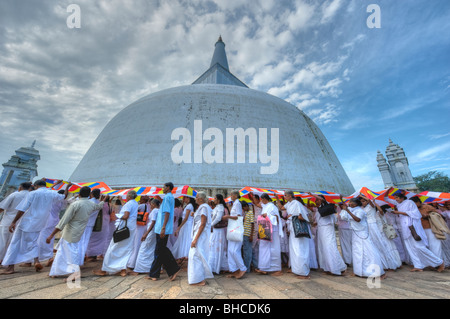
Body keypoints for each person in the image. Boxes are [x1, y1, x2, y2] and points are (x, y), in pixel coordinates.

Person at [1, 179, 69, 274]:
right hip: (41, 223)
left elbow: (22, 209)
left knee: (15, 243)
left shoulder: (32, 194)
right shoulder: (51, 193)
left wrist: (14, 222)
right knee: (33, 242)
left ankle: (10, 267)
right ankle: (36, 261)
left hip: (28, 222)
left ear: (36, 186)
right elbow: (64, 196)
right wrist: (67, 187)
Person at [46, 187, 105, 281]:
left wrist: (51, 235)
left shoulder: (75, 204)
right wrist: (103, 200)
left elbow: (63, 221)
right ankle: (55, 272)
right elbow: (99, 206)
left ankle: (75, 274)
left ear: (80, 194)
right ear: (89, 195)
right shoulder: (91, 204)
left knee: (70, 252)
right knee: (62, 251)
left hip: (70, 231)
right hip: (79, 231)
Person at [391, 193, 444, 272]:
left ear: (402, 197)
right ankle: (418, 265)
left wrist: (399, 213)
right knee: (411, 248)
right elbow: (386, 199)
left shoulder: (409, 202)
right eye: (395, 198)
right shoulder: (399, 205)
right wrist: (388, 191)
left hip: (413, 228)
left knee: (420, 247)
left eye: (397, 197)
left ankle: (439, 262)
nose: (396, 199)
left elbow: (416, 214)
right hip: (405, 229)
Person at [93, 190, 139, 277]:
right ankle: (122, 269)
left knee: (113, 248)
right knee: (126, 249)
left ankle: (105, 269)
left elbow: (125, 216)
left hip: (124, 228)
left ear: (129, 196)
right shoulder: (135, 203)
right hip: (131, 228)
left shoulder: (129, 204)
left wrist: (118, 216)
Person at [340, 198, 386, 279]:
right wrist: (342, 202)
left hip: (362, 233)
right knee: (357, 252)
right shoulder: (351, 209)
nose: (349, 204)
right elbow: (344, 215)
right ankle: (359, 271)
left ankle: (378, 272)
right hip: (355, 233)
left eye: (351, 202)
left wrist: (348, 211)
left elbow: (357, 219)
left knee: (369, 252)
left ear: (355, 204)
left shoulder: (360, 211)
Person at [148, 182, 181, 281]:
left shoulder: (168, 197)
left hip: (163, 228)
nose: (162, 188)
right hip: (161, 227)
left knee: (161, 250)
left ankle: (173, 269)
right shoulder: (168, 197)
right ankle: (154, 274)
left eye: (164, 187)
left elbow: (167, 212)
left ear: (168, 188)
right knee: (160, 250)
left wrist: (163, 227)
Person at [308, 193, 346, 276]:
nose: (316, 201)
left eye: (318, 200)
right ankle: (328, 268)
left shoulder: (327, 206)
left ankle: (336, 268)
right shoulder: (319, 209)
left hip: (327, 230)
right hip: (321, 230)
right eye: (316, 200)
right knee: (323, 249)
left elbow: (324, 201)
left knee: (330, 247)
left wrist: (315, 196)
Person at [360, 195, 401, 271]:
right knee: (379, 246)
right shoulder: (365, 210)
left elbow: (378, 209)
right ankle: (386, 264)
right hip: (376, 231)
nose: (363, 203)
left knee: (387, 247)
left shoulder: (377, 211)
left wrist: (374, 202)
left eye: (364, 201)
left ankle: (394, 264)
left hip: (382, 231)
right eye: (361, 201)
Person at [276, 191, 310, 279]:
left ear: (290, 196)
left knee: (299, 249)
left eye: (285, 196)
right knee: (294, 249)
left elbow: (302, 216)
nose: (284, 197)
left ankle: (304, 272)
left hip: (297, 228)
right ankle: (297, 270)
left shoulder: (296, 203)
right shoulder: (289, 204)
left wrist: (292, 216)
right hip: (292, 229)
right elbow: (281, 207)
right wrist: (276, 198)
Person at [0, 182, 32, 263]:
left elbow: (2, 207)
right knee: (13, 243)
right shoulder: (32, 196)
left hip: (8, 221)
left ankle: (1, 259)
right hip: (23, 223)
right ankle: (8, 260)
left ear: (20, 187)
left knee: (3, 241)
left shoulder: (14, 195)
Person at [252, 193, 283, 276]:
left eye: (262, 199)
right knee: (264, 249)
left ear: (266, 199)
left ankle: (276, 268)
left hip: (273, 230)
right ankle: (264, 268)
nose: (261, 201)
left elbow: (276, 218)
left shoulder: (272, 206)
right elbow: (256, 204)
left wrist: (267, 215)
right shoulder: (264, 206)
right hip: (265, 230)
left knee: (273, 249)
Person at [188, 192, 214, 286]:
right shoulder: (204, 207)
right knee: (197, 255)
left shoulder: (203, 207)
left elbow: (203, 224)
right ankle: (198, 278)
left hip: (200, 235)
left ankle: (198, 280)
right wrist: (194, 214)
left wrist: (195, 239)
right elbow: (200, 219)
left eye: (197, 197)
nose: (195, 199)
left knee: (195, 255)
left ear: (201, 199)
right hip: (200, 234)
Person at [129, 199, 160, 275]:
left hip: (151, 231)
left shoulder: (155, 211)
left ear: (153, 204)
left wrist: (146, 233)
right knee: (150, 249)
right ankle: (147, 268)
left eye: (151, 204)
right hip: (153, 231)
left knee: (143, 249)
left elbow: (153, 222)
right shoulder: (158, 210)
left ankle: (139, 269)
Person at [411, 197, 446, 265]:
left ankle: (439, 263)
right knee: (425, 247)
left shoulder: (427, 207)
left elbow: (439, 216)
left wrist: (428, 216)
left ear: (418, 202)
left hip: (430, 228)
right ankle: (431, 263)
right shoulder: (413, 209)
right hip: (420, 230)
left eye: (414, 203)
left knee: (435, 246)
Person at [38, 189, 66, 266]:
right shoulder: (62, 202)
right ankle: (49, 256)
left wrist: (55, 185)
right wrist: (67, 187)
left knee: (42, 239)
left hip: (48, 220)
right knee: (51, 238)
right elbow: (66, 197)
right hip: (55, 220)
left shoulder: (53, 200)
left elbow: (45, 192)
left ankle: (43, 257)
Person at [223, 190, 246, 279]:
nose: (231, 196)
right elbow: (234, 214)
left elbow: (238, 216)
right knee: (230, 250)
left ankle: (242, 268)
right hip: (232, 228)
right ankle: (234, 269)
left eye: (232, 194)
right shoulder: (234, 204)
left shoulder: (238, 203)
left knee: (235, 250)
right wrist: (229, 209)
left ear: (236, 195)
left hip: (236, 229)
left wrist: (227, 216)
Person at [77, 189, 102, 265]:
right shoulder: (98, 202)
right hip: (91, 224)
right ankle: (82, 258)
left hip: (84, 223)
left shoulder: (90, 202)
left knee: (81, 242)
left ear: (91, 194)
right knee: (85, 242)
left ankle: (79, 259)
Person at [86, 195, 112, 261]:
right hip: (105, 223)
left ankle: (90, 255)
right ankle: (97, 254)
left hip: (97, 222)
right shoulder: (109, 205)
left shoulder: (98, 203)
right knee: (101, 240)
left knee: (92, 239)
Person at [127, 196, 150, 270]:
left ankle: (132, 263)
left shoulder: (142, 205)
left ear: (143, 200)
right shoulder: (149, 205)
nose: (139, 200)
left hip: (140, 226)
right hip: (145, 225)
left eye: (141, 199)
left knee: (136, 244)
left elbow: (132, 209)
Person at [208, 194, 229, 274]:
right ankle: (215, 267)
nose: (214, 200)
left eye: (215, 199)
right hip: (216, 230)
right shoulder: (217, 207)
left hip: (218, 231)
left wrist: (211, 224)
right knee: (214, 247)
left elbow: (218, 218)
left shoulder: (220, 207)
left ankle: (217, 267)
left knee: (217, 248)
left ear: (219, 200)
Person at [171, 196, 196, 263]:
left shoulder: (189, 206)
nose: (183, 199)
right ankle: (182, 256)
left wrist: (179, 228)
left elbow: (185, 218)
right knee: (183, 240)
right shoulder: (188, 206)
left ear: (188, 198)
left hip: (187, 224)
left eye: (185, 198)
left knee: (185, 240)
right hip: (186, 224)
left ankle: (184, 256)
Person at [241, 201, 255, 274]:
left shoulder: (250, 213)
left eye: (243, 208)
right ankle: (248, 267)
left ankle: (247, 268)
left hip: (248, 234)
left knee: (247, 252)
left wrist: (251, 235)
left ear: (246, 206)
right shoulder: (246, 213)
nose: (243, 209)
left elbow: (252, 224)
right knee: (246, 251)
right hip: (245, 234)